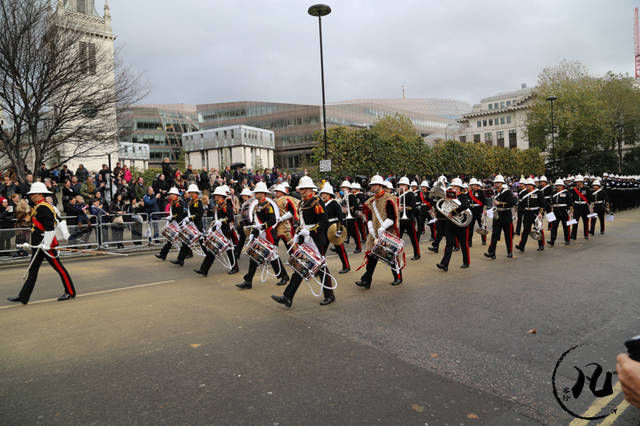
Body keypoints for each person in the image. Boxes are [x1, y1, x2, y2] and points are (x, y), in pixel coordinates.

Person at [7, 182, 76, 305]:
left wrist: (47, 244)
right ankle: (23, 296)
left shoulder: (44, 207)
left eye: (33, 194)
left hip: (45, 245)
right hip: (38, 245)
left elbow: (49, 227)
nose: (31, 196)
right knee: (32, 271)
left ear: (39, 194)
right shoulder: (39, 207)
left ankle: (70, 291)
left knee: (59, 268)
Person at [272, 176, 335, 307]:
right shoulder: (302, 203)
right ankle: (287, 297)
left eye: (304, 189)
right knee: (300, 267)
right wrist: (299, 234)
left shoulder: (316, 202)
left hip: (316, 239)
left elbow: (324, 222)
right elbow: (301, 222)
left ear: (310, 189)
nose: (301, 191)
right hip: (305, 238)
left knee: (321, 267)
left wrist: (310, 232)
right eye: (300, 189)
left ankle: (329, 295)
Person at [235, 182, 289, 289]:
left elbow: (272, 220)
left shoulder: (268, 205)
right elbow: (256, 222)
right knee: (254, 256)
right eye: (256, 192)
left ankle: (284, 276)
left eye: (258, 192)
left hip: (267, 234)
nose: (256, 194)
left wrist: (262, 227)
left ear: (263, 194)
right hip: (260, 234)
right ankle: (248, 281)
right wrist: (254, 233)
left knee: (273, 256)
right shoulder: (257, 205)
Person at [354, 174, 402, 289]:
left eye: (375, 185)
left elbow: (392, 217)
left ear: (380, 186)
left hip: (387, 232)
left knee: (390, 256)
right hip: (374, 234)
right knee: (371, 256)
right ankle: (367, 280)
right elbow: (369, 215)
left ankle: (398, 277)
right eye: (372, 185)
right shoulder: (370, 201)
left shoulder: (389, 199)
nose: (372, 187)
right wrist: (370, 226)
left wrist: (383, 228)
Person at [194, 186, 237, 277]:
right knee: (212, 250)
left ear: (221, 196)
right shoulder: (218, 205)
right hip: (218, 231)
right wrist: (211, 227)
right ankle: (204, 269)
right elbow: (215, 218)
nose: (215, 196)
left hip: (225, 231)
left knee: (229, 250)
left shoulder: (226, 205)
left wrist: (221, 221)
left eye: (217, 195)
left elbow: (230, 218)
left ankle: (235, 267)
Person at [436, 178, 471, 271]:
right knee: (449, 244)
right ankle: (444, 264)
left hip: (461, 224)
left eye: (456, 187)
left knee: (463, 244)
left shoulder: (463, 197)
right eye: (453, 186)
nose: (454, 188)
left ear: (460, 188)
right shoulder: (449, 196)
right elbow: (444, 206)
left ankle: (466, 262)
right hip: (450, 223)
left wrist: (454, 212)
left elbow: (465, 206)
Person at [319, 182, 350, 274]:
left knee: (340, 248)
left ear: (329, 195)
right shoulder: (321, 204)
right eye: (322, 193)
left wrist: (339, 229)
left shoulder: (334, 203)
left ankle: (346, 266)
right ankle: (320, 268)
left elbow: (340, 217)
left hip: (334, 228)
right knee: (322, 249)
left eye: (324, 194)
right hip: (325, 229)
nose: (323, 195)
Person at [484, 175, 517, 259]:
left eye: (498, 183)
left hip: (506, 215)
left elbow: (512, 203)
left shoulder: (507, 192)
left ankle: (509, 252)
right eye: (495, 183)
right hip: (497, 215)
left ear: (502, 183)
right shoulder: (494, 193)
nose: (497, 184)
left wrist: (500, 203)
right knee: (494, 235)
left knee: (508, 235)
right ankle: (492, 252)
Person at [170, 184, 204, 266]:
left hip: (196, 225)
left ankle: (210, 255)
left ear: (194, 193)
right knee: (186, 242)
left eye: (191, 192)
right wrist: (185, 217)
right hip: (191, 225)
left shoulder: (197, 202)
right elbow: (189, 212)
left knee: (202, 243)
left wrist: (190, 218)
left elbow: (199, 214)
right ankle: (180, 259)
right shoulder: (191, 201)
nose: (189, 193)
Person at [514, 178, 546, 253]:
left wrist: (541, 213)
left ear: (533, 185)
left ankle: (541, 245)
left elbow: (543, 204)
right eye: (526, 185)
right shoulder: (522, 193)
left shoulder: (539, 193)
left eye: (529, 185)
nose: (527, 186)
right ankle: (522, 246)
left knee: (538, 229)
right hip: (527, 213)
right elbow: (521, 205)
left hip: (536, 213)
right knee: (525, 230)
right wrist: (520, 213)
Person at [155, 187, 186, 261]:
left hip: (178, 224)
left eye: (171, 194)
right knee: (170, 240)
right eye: (170, 194)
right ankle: (163, 254)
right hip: (174, 223)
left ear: (175, 195)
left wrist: (171, 217)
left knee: (184, 241)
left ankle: (186, 254)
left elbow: (178, 214)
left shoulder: (178, 203)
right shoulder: (174, 202)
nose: (170, 195)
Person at [397, 177, 421, 260]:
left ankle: (417, 253)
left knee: (413, 238)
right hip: (401, 219)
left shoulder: (410, 194)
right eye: (400, 184)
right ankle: (394, 254)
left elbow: (412, 207)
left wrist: (403, 207)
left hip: (409, 219)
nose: (401, 186)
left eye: (402, 185)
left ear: (407, 186)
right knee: (397, 238)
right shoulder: (399, 195)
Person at [548, 179, 572, 246]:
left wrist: (570, 211)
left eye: (559, 185)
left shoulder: (567, 192)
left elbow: (570, 202)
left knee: (566, 226)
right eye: (557, 185)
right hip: (555, 210)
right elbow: (551, 202)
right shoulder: (553, 193)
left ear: (562, 186)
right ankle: (552, 240)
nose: (558, 187)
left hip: (564, 211)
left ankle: (567, 239)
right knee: (554, 226)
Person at [340, 181, 362, 253]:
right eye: (342, 188)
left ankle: (358, 247)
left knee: (355, 233)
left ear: (348, 188)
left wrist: (348, 209)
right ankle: (340, 245)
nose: (342, 189)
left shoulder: (351, 196)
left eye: (344, 187)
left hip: (352, 217)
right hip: (346, 217)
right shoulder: (344, 197)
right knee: (344, 231)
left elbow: (355, 206)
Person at [570, 175, 592, 240]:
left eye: (578, 181)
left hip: (584, 206)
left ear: (581, 182)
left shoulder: (587, 189)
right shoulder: (574, 190)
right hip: (576, 206)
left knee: (585, 221)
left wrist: (589, 205)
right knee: (575, 221)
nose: (577, 183)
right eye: (576, 182)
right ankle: (573, 235)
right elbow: (572, 198)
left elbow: (590, 198)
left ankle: (586, 234)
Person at [467, 178, 487, 247]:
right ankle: (469, 242)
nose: (472, 186)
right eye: (471, 185)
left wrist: (484, 210)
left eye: (473, 185)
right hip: (471, 211)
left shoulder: (480, 192)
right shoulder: (468, 193)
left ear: (476, 185)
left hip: (479, 211)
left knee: (482, 226)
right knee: (470, 227)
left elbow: (484, 202)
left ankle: (484, 240)